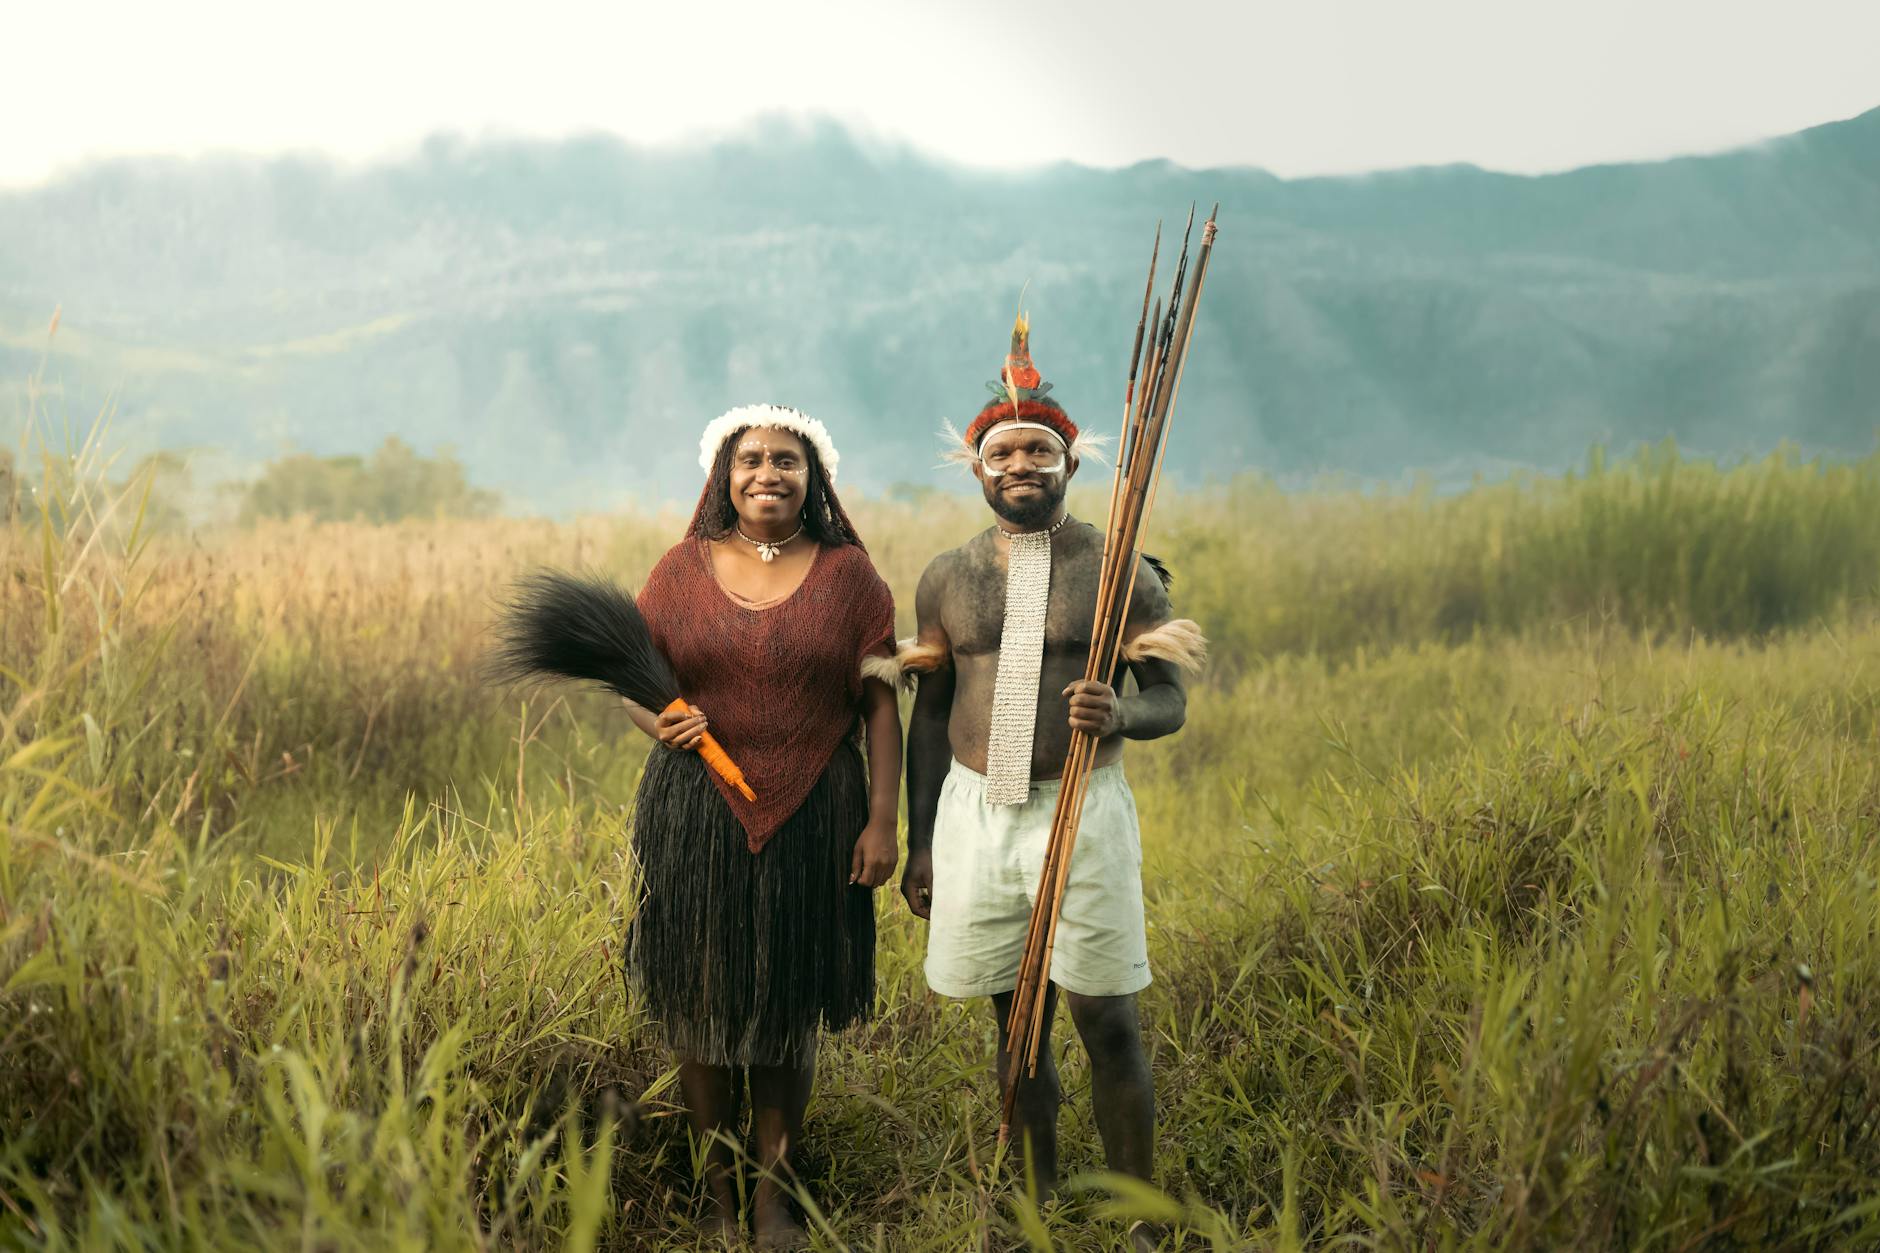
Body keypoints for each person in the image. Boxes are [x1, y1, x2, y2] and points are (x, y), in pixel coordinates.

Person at [897, 318, 1204, 1237]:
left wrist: (1121, 713)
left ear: (1073, 464)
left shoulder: (1120, 571)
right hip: (974, 813)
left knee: (1105, 1017)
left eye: (1040, 448)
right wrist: (920, 840)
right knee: (1015, 1024)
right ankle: (1035, 1199)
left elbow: (1171, 701)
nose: (1022, 461)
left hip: (1085, 808)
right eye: (1004, 450)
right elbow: (928, 711)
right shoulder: (946, 577)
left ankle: (1143, 1213)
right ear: (977, 467)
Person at [623, 404, 901, 1248]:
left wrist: (883, 820)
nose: (768, 473)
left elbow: (882, 704)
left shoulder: (852, 577)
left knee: (786, 1002)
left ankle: (773, 1197)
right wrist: (657, 721)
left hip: (819, 811)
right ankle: (716, 1194)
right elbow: (635, 680)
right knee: (701, 1000)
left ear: (815, 479)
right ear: (723, 474)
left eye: (788, 460)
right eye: (752, 460)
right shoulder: (679, 570)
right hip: (694, 815)